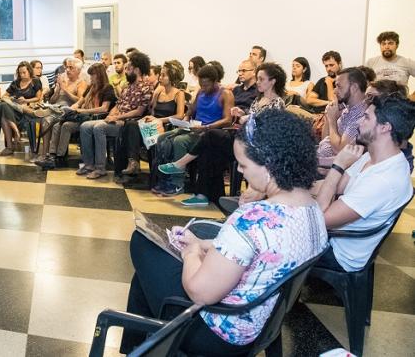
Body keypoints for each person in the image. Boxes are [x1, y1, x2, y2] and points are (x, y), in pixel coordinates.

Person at [121, 109, 327, 355]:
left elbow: (199, 292)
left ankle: (137, 348)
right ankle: (140, 349)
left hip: (218, 334)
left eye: (243, 165)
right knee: (146, 277)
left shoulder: (253, 218)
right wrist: (206, 245)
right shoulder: (313, 209)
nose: (239, 172)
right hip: (260, 320)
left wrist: (192, 252)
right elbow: (261, 254)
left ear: (269, 165)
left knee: (142, 243)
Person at [159, 62, 287, 206]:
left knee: (210, 136)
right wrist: (241, 114)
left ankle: (181, 164)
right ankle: (205, 195)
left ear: (273, 81)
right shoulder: (258, 100)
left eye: (261, 79)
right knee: (208, 149)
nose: (258, 82)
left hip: (256, 146)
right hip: (242, 138)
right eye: (257, 78)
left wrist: (248, 118)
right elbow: (249, 121)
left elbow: (269, 130)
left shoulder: (277, 103)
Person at [314, 95, 415, 273]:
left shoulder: (383, 181)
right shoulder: (374, 156)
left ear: (385, 127)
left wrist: (338, 164)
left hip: (337, 251)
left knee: (270, 237)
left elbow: (321, 220)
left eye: (367, 117)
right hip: (334, 234)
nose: (360, 121)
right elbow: (337, 186)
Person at [151, 63, 234, 196]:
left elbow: (227, 119)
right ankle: (164, 178)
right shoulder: (201, 92)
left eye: (206, 85)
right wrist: (185, 118)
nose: (203, 88)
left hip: (208, 133)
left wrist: (206, 127)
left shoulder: (225, 94)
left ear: (214, 82)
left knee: (179, 141)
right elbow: (191, 110)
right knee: (162, 138)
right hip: (194, 128)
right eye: (201, 85)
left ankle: (177, 183)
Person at [78, 51, 153, 179]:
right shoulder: (127, 87)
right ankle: (89, 164)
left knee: (99, 127)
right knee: (85, 126)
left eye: (128, 68)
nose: (126, 71)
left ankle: (100, 168)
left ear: (137, 70)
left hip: (128, 123)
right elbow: (118, 105)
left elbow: (139, 111)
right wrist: (110, 115)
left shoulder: (146, 88)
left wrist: (117, 117)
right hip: (117, 119)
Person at [35, 63, 116, 170]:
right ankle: (53, 155)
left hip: (95, 118)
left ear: (99, 75)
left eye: (92, 75)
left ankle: (60, 158)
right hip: (84, 116)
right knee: (58, 125)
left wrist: (83, 110)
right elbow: (79, 102)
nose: (90, 77)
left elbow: (104, 108)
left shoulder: (107, 88)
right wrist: (72, 109)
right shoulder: (91, 87)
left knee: (66, 125)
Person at [118, 60, 186, 177]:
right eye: (160, 74)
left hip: (165, 127)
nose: (160, 77)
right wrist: (152, 113)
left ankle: (135, 164)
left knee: (132, 127)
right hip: (152, 124)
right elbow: (152, 111)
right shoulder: (159, 92)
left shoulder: (178, 93)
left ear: (172, 77)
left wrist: (160, 120)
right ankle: (132, 162)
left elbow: (180, 115)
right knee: (129, 125)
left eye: (164, 75)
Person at [36, 57, 89, 158]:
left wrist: (65, 90)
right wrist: (58, 90)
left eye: (71, 68)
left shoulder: (81, 83)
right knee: (45, 120)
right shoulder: (62, 80)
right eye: (66, 67)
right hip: (55, 107)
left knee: (52, 121)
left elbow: (79, 101)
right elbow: (52, 100)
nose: (67, 70)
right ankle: (45, 153)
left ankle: (52, 154)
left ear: (78, 70)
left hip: (68, 110)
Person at [317, 67, 368, 168]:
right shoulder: (346, 109)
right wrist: (329, 116)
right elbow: (325, 139)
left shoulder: (362, 116)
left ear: (354, 88)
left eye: (339, 87)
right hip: (321, 158)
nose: (335, 91)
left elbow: (340, 150)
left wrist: (332, 121)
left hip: (330, 168)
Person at [0, 61, 43, 156]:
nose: (22, 75)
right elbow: (4, 96)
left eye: (24, 72)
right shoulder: (16, 83)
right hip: (16, 111)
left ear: (29, 71)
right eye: (20, 73)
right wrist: (13, 99)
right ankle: (16, 131)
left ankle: (10, 147)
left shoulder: (35, 81)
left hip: (28, 110)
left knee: (4, 118)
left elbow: (38, 98)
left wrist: (26, 101)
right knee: (3, 104)